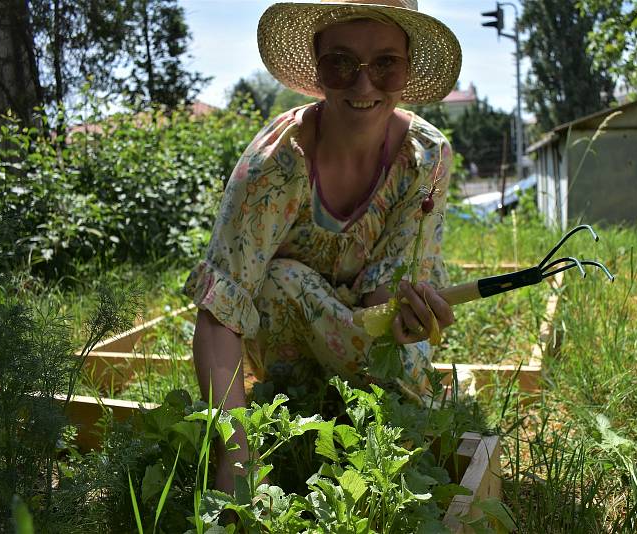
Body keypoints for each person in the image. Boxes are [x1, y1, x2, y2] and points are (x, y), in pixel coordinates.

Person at [184, 0, 462, 494]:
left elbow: (386, 297)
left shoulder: (426, 158)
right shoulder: (278, 163)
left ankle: (353, 413)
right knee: (278, 279)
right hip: (285, 343)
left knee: (413, 386)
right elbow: (221, 305)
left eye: (384, 64)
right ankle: (297, 412)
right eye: (341, 62)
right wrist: (234, 453)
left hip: (362, 339)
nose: (363, 85)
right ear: (316, 66)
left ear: (407, 68)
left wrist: (408, 314)